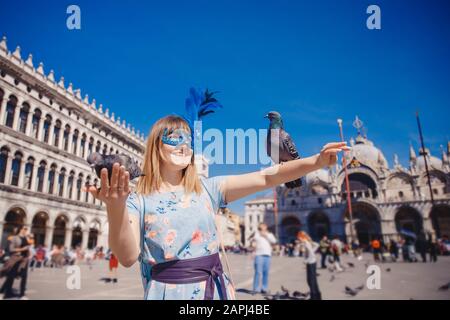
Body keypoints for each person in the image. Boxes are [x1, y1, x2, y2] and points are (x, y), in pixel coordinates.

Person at [85, 114, 348, 300]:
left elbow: (268, 176)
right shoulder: (138, 199)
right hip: (168, 293)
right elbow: (128, 257)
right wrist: (116, 207)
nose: (184, 145)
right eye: (174, 138)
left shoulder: (209, 189)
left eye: (187, 140)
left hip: (216, 291)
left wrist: (317, 161)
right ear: (156, 147)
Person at [0, 226, 30, 299]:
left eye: (26, 229)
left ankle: (22, 295)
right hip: (16, 259)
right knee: (11, 276)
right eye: (24, 229)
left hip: (24, 260)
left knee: (24, 277)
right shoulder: (14, 238)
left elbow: (27, 248)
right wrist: (22, 249)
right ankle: (4, 292)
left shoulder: (26, 238)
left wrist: (28, 254)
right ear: (20, 229)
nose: (26, 230)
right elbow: (11, 249)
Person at [249, 223, 277, 294]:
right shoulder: (257, 234)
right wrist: (253, 252)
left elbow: (274, 241)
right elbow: (253, 242)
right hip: (259, 255)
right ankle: (256, 289)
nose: (262, 227)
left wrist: (266, 235)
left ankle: (264, 288)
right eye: (261, 226)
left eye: (264, 226)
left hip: (267, 255)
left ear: (266, 227)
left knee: (266, 273)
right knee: (258, 272)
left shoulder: (270, 234)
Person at [297, 231, 321, 300]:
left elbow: (311, 253)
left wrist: (305, 261)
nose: (299, 240)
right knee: (312, 280)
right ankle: (317, 296)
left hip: (310, 263)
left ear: (301, 237)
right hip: (312, 262)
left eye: (299, 238)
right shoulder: (307, 242)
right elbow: (317, 245)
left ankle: (314, 296)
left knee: (311, 280)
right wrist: (310, 241)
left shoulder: (306, 243)